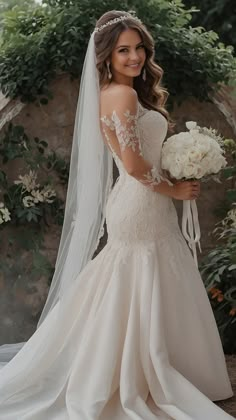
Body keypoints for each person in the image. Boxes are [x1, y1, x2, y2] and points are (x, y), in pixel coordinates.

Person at [0, 9, 234, 420]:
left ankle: (150, 366)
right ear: (107, 56)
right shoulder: (122, 95)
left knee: (141, 278)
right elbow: (135, 166)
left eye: (138, 48)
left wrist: (183, 164)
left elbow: (145, 158)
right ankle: (132, 373)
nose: (134, 57)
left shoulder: (125, 93)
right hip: (140, 199)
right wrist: (175, 187)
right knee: (138, 277)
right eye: (123, 50)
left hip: (145, 199)